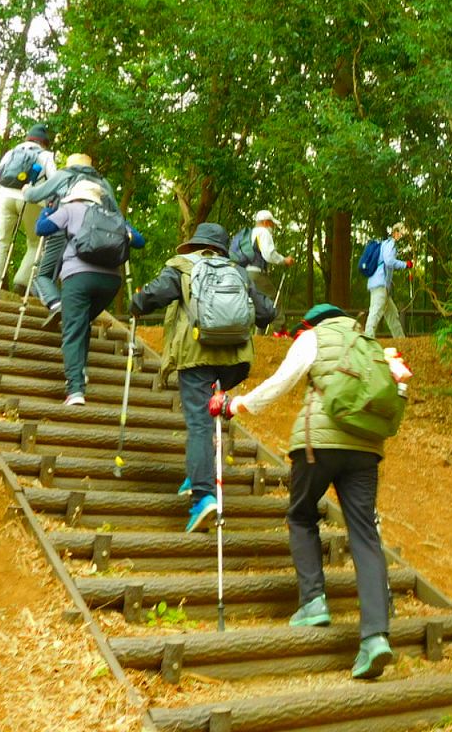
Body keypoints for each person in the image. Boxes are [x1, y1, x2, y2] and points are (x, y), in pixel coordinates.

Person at [230, 303, 396, 680]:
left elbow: (281, 382)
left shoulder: (313, 337)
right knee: (365, 536)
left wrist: (238, 404)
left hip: (316, 445)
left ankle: (313, 601)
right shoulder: (367, 342)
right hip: (366, 449)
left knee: (302, 515)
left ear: (314, 321)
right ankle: (375, 638)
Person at [130, 223, 256, 533]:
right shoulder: (238, 271)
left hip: (196, 354)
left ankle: (203, 495)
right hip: (235, 361)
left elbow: (153, 296)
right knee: (211, 417)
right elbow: (267, 312)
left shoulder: (182, 267)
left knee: (200, 422)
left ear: (195, 245)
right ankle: (197, 471)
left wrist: (136, 302)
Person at [35, 180, 144, 407]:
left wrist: (47, 210)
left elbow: (42, 229)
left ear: (76, 196)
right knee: (81, 321)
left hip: (78, 277)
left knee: (72, 328)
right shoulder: (114, 216)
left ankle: (75, 389)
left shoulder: (70, 209)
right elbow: (139, 241)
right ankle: (80, 371)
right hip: (111, 282)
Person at [22, 152, 119, 324]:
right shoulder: (104, 183)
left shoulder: (64, 175)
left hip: (63, 229)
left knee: (43, 275)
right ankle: (78, 313)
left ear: (70, 164)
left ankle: (57, 304)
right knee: (81, 274)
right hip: (95, 238)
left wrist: (27, 188)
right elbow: (116, 214)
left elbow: (33, 196)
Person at [0, 124, 57, 293]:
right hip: (31, 199)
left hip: (5, 198)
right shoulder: (45, 155)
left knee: (0, 241)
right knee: (36, 242)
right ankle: (22, 282)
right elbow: (53, 183)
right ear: (44, 142)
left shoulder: (11, 153)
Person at [247, 210, 294, 333]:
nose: (272, 227)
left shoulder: (249, 233)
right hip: (256, 273)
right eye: (272, 224)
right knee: (273, 300)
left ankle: (258, 336)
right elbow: (269, 254)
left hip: (244, 273)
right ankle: (279, 330)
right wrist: (284, 260)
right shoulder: (263, 232)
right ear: (266, 222)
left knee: (258, 304)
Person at [365, 222, 411, 339]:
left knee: (392, 314)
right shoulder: (390, 244)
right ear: (396, 232)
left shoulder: (384, 244)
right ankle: (368, 339)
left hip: (379, 284)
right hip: (380, 284)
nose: (402, 236)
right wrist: (405, 264)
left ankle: (401, 340)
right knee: (375, 312)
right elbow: (389, 261)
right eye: (401, 233)